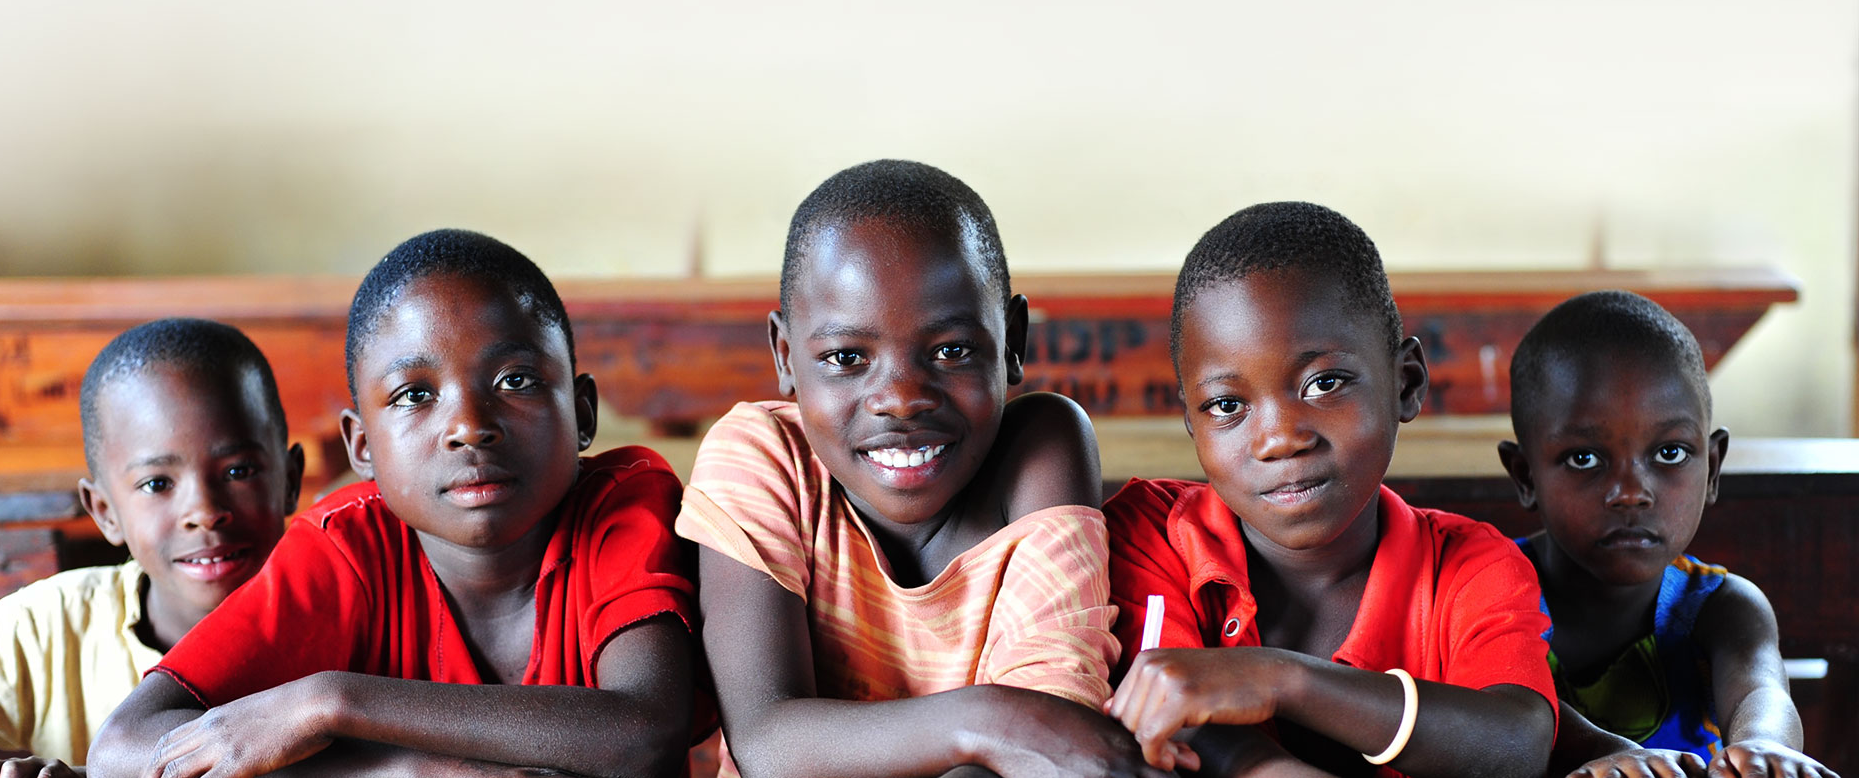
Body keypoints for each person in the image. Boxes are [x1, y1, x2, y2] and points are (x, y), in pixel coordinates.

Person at [88, 229, 702, 778]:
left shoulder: (624, 504)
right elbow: (120, 751)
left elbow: (642, 732)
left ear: (584, 412)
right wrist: (410, 770)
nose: (469, 426)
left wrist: (328, 703)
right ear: (362, 446)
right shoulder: (344, 546)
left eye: (515, 380)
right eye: (413, 395)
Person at [679, 159, 1165, 778]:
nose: (903, 397)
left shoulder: (1043, 450)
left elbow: (1050, 743)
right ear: (785, 355)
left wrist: (1016, 730)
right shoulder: (762, 456)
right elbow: (769, 742)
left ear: (1012, 341)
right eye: (847, 356)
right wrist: (993, 721)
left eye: (951, 350)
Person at [1105, 201, 1557, 778]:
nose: (1280, 439)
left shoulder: (1468, 567)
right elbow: (1164, 712)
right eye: (1226, 405)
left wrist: (1282, 679)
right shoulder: (1152, 534)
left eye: (1324, 383)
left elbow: (1517, 744)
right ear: (1192, 421)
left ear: (1406, 383)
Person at [0, 318, 303, 778]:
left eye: (238, 471)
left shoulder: (362, 617)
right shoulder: (48, 629)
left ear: (289, 480)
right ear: (105, 510)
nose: (204, 511)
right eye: (157, 483)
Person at [1498, 290, 1838, 778]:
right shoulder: (1482, 589)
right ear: (1525, 476)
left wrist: (1764, 745)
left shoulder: (1721, 608)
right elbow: (1511, 709)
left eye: (1671, 453)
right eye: (1584, 458)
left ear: (1713, 467)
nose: (1631, 492)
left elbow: (1760, 691)